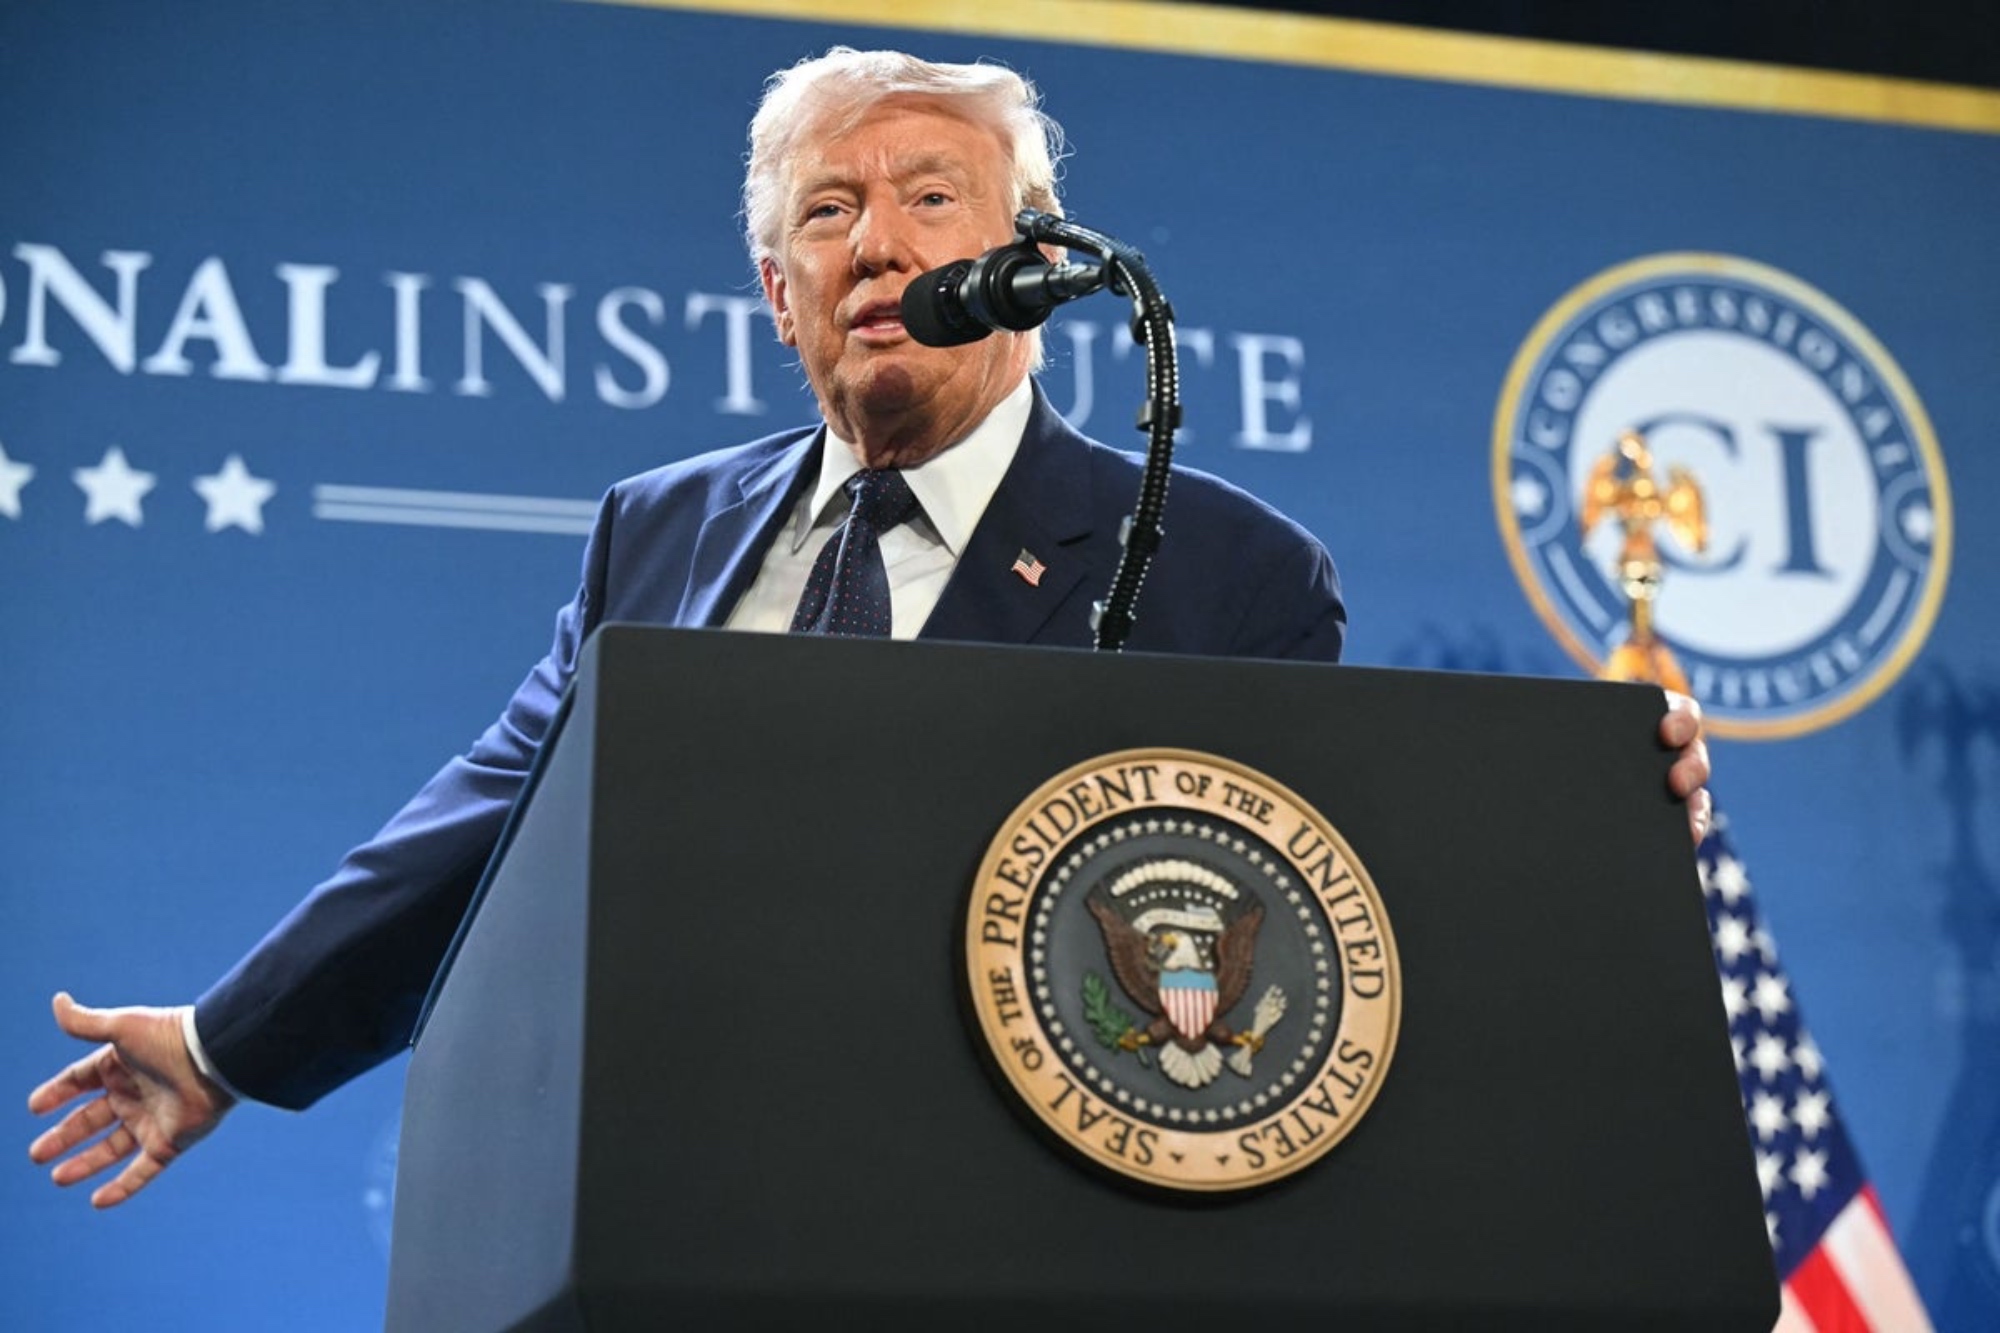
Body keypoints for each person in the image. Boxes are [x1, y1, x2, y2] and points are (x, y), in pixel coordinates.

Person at [27, 48, 1713, 1209]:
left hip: (1023, 1223)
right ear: (781, 294)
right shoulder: (657, 532)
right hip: (676, 1203)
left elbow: (1320, 914)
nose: (876, 244)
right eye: (827, 213)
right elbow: (485, 824)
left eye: (928, 198)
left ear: (1032, 268)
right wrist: (225, 1042)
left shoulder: (1223, 567)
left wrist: (1585, 827)